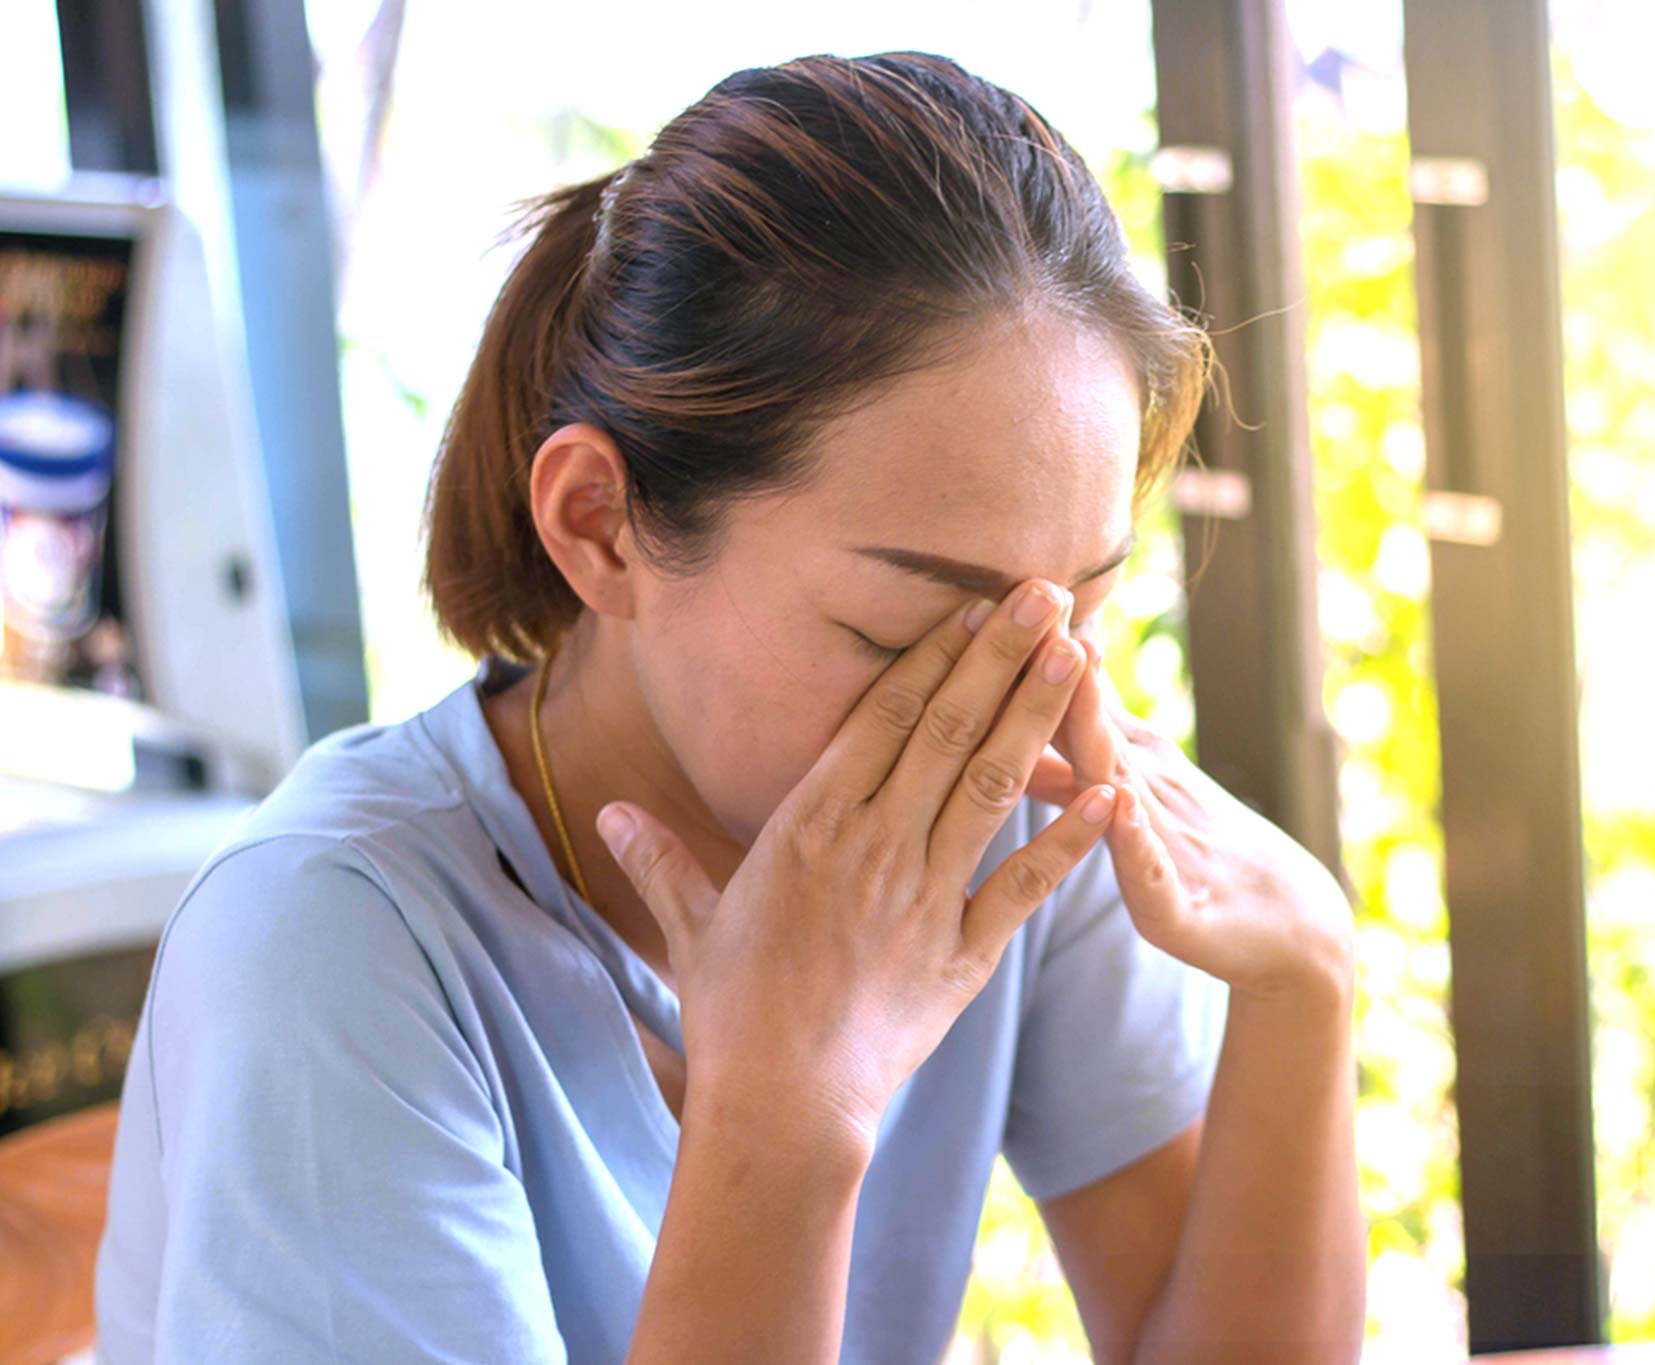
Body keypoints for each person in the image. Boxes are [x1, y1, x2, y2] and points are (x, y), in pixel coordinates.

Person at [92, 51, 1364, 1364]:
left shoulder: (1010, 801)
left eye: (1077, 613)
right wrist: (781, 1122)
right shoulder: (328, 943)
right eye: (908, 632)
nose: (1019, 717)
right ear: (601, 524)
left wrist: (1305, 979)